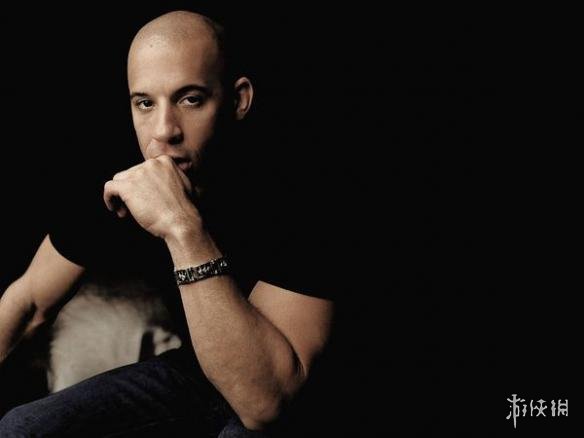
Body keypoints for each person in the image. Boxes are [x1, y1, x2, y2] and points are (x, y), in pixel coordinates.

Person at [0, 10, 336, 436]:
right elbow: (29, 303)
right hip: (198, 371)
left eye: (190, 99)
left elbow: (265, 401)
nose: (163, 132)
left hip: (291, 385)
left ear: (238, 100)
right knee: (23, 428)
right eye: (145, 103)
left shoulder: (303, 185)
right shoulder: (126, 175)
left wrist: (180, 226)